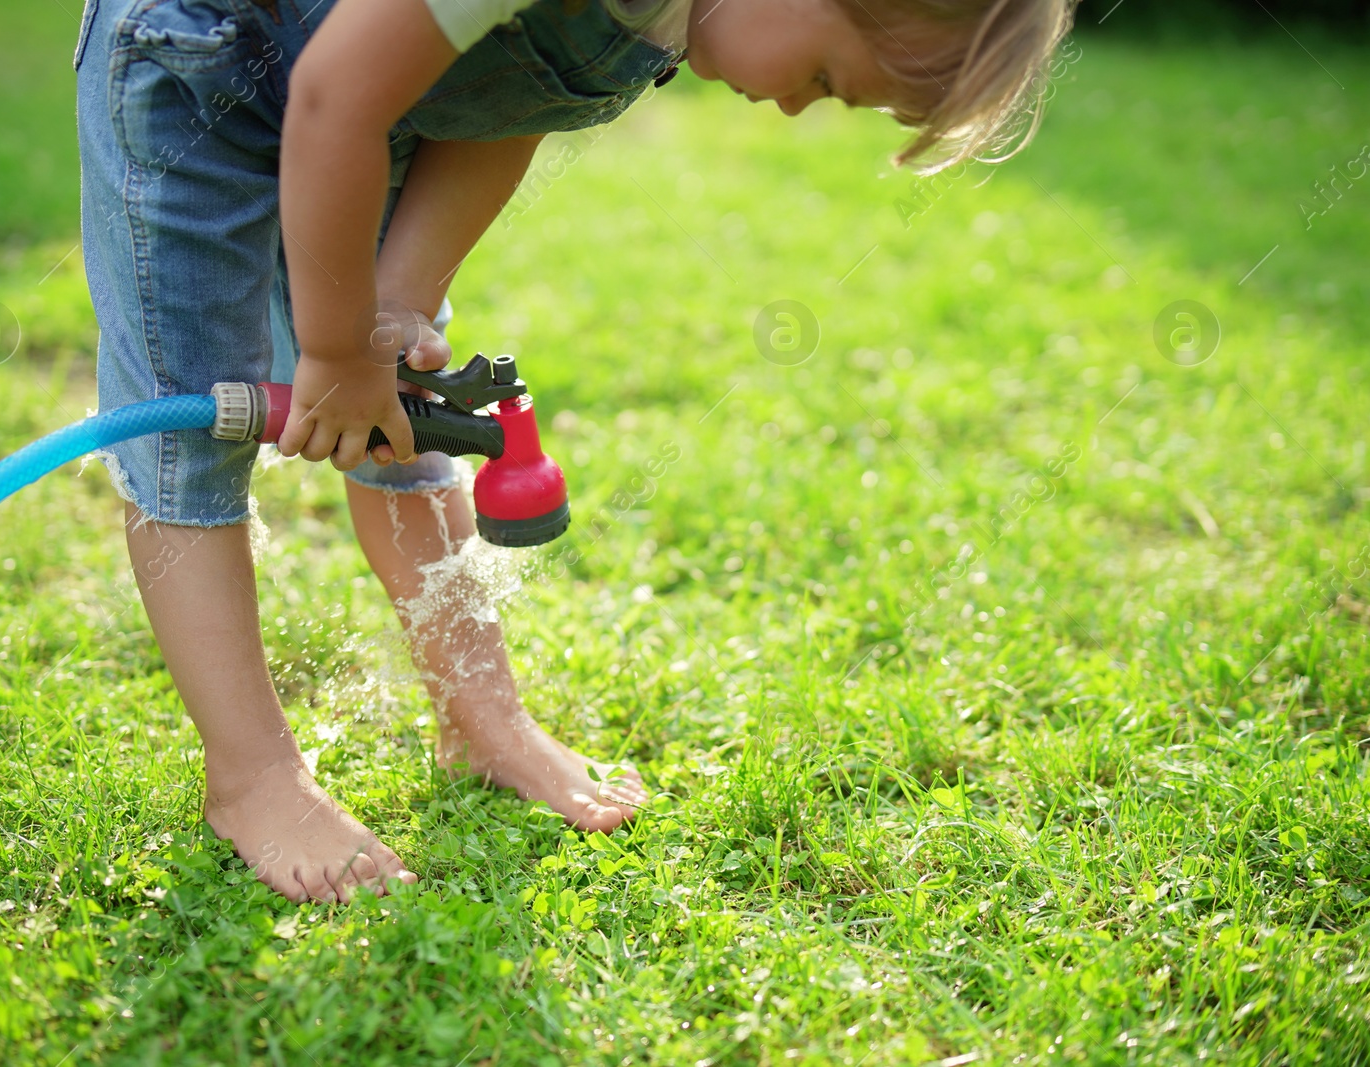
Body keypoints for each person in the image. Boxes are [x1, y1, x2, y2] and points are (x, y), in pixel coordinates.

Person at [74, 0, 1074, 904]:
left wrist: (393, 307)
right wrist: (332, 351)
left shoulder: (666, 14)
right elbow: (334, 93)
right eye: (821, 79)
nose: (791, 108)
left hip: (374, 105)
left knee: (406, 403)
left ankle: (484, 716)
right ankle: (252, 776)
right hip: (202, 54)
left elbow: (511, 95)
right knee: (185, 424)